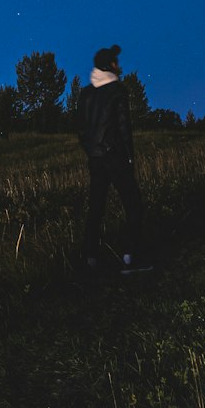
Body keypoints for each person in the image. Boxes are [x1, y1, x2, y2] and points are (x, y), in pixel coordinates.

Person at [77, 44, 150, 274]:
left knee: (96, 208)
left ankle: (90, 258)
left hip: (96, 159)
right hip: (115, 158)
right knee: (133, 206)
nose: (119, 65)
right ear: (110, 65)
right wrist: (129, 158)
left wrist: (92, 151)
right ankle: (130, 258)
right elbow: (123, 129)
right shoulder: (118, 90)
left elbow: (81, 130)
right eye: (116, 62)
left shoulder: (86, 93)